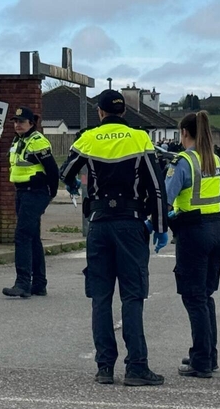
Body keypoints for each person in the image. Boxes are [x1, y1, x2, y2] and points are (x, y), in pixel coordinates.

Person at [60, 89, 168, 387]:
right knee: (132, 296)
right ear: (123, 112)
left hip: (99, 224)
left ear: (100, 112)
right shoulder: (139, 139)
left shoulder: (88, 138)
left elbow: (66, 171)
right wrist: (160, 226)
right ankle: (136, 367)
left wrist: (73, 187)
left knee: (101, 296)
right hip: (131, 224)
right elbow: (157, 187)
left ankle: (104, 367)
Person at [164, 111, 220, 379]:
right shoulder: (213, 159)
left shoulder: (184, 161)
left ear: (184, 133)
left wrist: (156, 222)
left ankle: (200, 360)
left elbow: (166, 196)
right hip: (217, 230)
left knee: (194, 297)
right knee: (205, 295)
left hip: (193, 232)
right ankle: (208, 354)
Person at [2, 106, 59, 298]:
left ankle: (23, 283)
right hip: (22, 192)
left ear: (31, 123)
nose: (17, 125)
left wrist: (49, 194)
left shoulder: (37, 141)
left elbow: (52, 170)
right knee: (32, 237)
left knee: (22, 235)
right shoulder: (19, 141)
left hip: (35, 192)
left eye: (21, 121)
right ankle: (39, 284)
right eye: (15, 121)